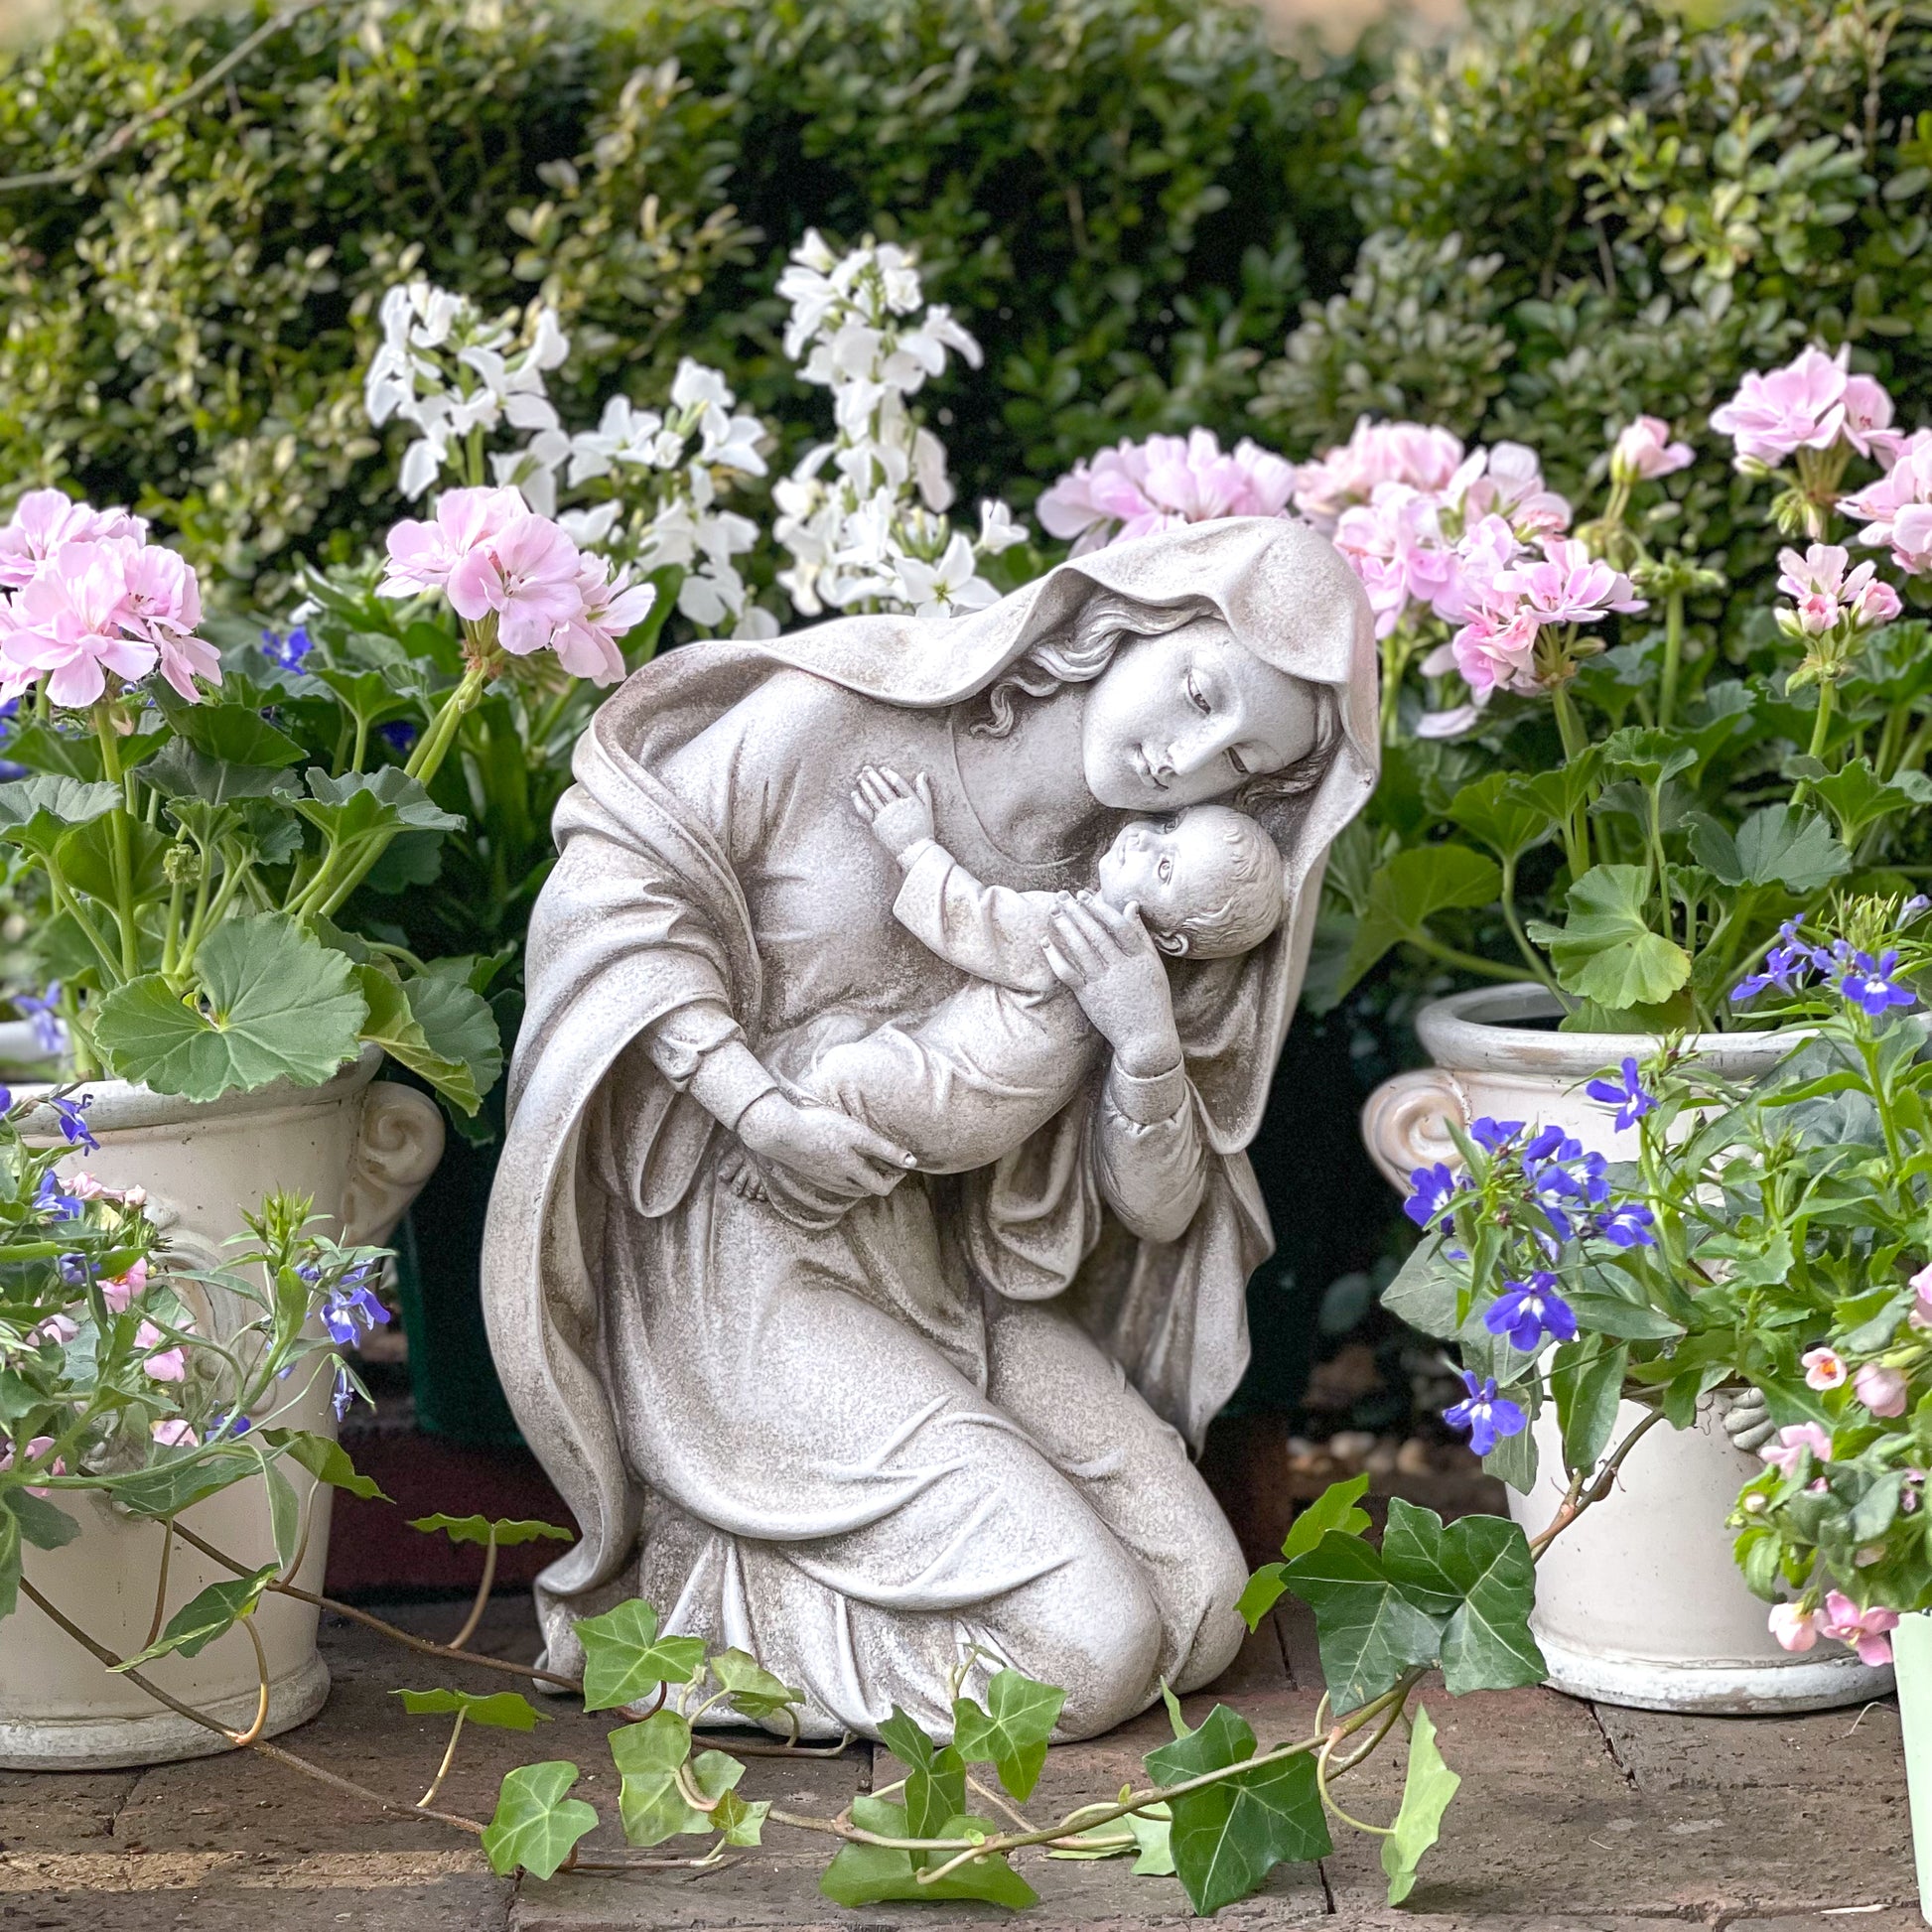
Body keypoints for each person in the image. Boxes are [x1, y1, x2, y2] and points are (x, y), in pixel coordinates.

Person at [482, 516, 1378, 1740]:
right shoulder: (840, 720)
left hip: (945, 1273)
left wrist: (1145, 1044)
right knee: (1096, 1650)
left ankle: (794, 1591)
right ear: (1129, 620)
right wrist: (754, 1103)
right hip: (742, 1256)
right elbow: (614, 889)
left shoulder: (1148, 886)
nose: (1186, 759)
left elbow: (1160, 1206)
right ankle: (719, 1618)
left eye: (1238, 761)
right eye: (1198, 693)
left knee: (1205, 1606)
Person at [776, 769, 1288, 1178]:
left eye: (1165, 869)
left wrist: (912, 843)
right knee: (836, 1037)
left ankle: (782, 1170)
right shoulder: (1125, 979)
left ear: (1171, 940)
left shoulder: (1071, 931)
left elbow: (970, 917)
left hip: (948, 1095)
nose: (1144, 842)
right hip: (972, 1126)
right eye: (1169, 828)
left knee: (846, 1072)